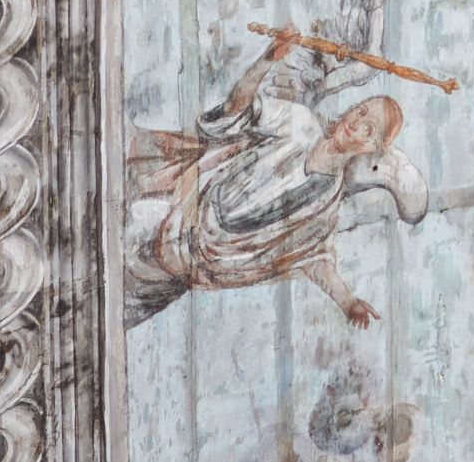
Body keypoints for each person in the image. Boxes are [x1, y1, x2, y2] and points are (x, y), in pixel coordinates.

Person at [124, 52, 429, 324]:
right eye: (361, 112)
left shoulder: (326, 205)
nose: (356, 123)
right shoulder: (301, 124)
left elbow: (314, 258)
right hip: (174, 209)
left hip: (187, 269)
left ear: (372, 147)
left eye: (369, 128)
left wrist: (347, 302)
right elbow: (239, 110)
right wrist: (266, 60)